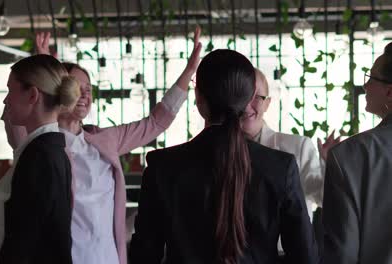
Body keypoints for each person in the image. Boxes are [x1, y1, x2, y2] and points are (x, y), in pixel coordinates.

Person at [27, 28, 202, 264]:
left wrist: (189, 72)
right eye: (76, 88)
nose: (84, 95)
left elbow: (157, 121)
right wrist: (45, 69)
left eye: (88, 90)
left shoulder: (105, 140)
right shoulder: (41, 145)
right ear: (60, 92)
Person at [130, 49, 320, 264]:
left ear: (198, 97)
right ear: (248, 99)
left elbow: (144, 256)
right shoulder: (280, 167)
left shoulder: (161, 167)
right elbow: (305, 257)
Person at [0, 54, 80, 264]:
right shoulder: (44, 150)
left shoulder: (40, 156)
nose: (6, 100)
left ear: (33, 95)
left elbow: (22, 242)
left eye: (10, 90)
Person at [323, 42, 392, 263]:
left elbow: (342, 254)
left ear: (390, 92)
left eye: (371, 78)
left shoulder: (350, 156)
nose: (365, 87)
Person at [242, 68, 327, 217]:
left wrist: (329, 164)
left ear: (267, 103)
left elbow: (322, 198)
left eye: (256, 96)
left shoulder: (298, 148)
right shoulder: (219, 149)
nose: (248, 105)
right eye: (243, 96)